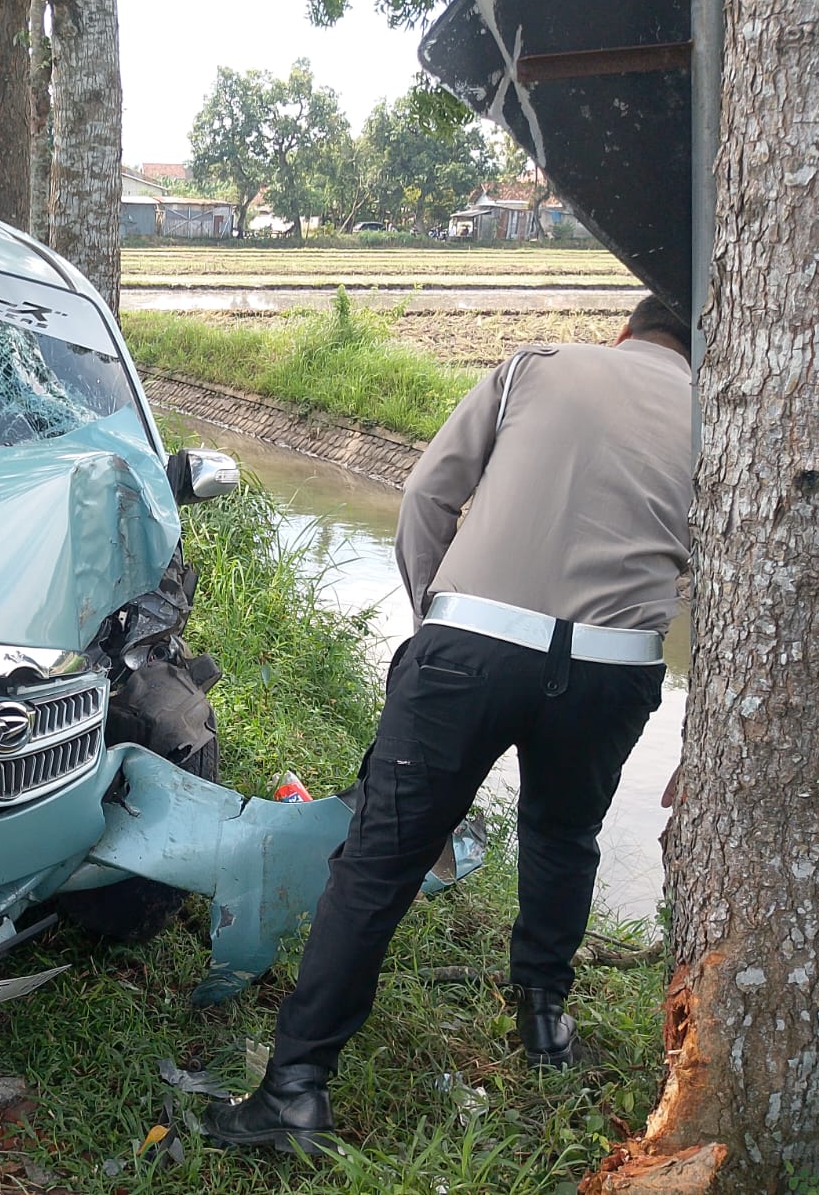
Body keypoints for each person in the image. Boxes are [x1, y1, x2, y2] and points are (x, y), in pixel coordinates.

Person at [204, 294, 693, 1156]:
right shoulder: (720, 420)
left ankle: (295, 1090)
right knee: (564, 835)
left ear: (623, 329)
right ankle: (543, 1023)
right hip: (614, 668)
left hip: (472, 647)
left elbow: (429, 495)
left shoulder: (536, 368)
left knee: (377, 866)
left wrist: (438, 622)